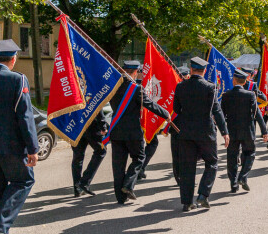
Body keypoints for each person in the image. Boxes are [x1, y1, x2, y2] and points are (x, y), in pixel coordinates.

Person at [109, 60, 171, 205]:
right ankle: (128, 185)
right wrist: (166, 113)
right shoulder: (136, 89)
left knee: (118, 165)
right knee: (139, 158)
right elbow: (150, 104)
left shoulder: (113, 87)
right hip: (132, 132)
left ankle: (120, 198)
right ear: (136, 72)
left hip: (116, 130)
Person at [0, 40, 38, 234]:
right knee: (23, 181)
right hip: (10, 146)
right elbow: (25, 116)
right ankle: (0, 226)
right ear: (13, 59)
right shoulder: (17, 79)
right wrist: (33, 148)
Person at [174, 57, 229, 211]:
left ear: (191, 69)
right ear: (204, 71)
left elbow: (176, 109)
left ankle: (186, 202)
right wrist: (225, 132)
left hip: (186, 132)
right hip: (205, 132)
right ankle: (203, 195)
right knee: (211, 163)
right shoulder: (210, 87)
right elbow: (216, 111)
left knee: (187, 168)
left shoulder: (180, 86)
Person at [221, 69, 268, 193]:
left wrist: (222, 131)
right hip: (248, 131)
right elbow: (257, 113)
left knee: (232, 157)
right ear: (244, 81)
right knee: (250, 153)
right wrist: (264, 131)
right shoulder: (250, 95)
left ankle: (233, 184)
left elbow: (221, 114)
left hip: (232, 132)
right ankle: (243, 176)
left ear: (234, 80)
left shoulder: (226, 95)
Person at [72, 111, 108, 196]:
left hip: (75, 125)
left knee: (77, 156)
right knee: (101, 151)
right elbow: (97, 106)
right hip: (91, 126)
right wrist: (103, 126)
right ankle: (84, 182)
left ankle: (77, 188)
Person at [169, 67, 190, 186]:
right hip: (183, 126)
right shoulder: (186, 88)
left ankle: (179, 178)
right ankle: (182, 178)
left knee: (177, 155)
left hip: (177, 126)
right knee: (183, 154)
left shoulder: (179, 88)